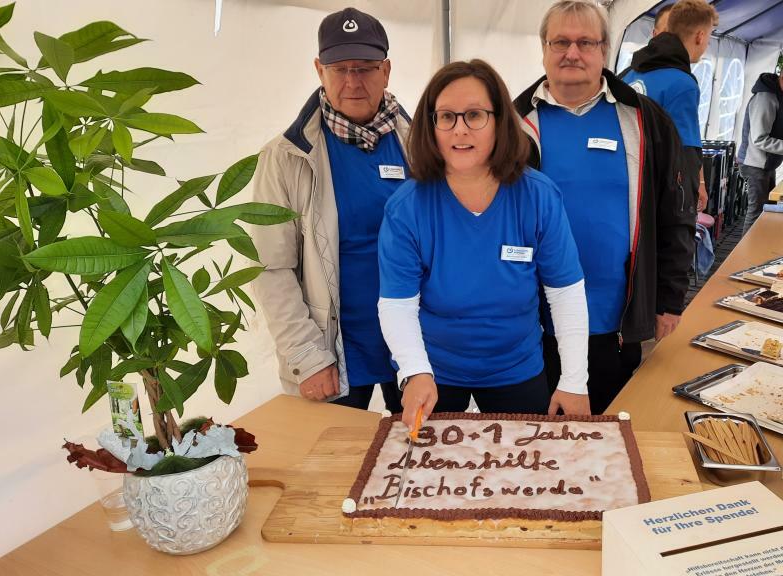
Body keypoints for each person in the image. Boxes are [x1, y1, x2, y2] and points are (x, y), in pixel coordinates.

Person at [378, 59, 591, 429]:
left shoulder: (538, 196)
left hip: (517, 367)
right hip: (435, 370)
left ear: (499, 123)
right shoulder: (407, 207)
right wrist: (413, 370)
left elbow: (565, 293)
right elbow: (397, 304)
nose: (460, 130)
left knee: (524, 472)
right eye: (446, 116)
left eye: (475, 115)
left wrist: (574, 380)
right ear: (431, 126)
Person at [514, 0, 696, 414]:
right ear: (543, 48)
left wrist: (669, 299)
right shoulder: (513, 123)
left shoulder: (643, 120)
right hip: (531, 322)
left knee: (606, 437)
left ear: (604, 49)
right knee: (536, 442)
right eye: (560, 41)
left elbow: (676, 213)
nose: (572, 53)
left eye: (585, 42)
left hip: (616, 321)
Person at [249, 7, 410, 412]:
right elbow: (270, 268)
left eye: (366, 68)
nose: (353, 81)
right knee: (332, 466)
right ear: (320, 70)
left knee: (420, 465)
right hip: (331, 353)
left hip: (414, 349)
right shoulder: (286, 157)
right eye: (340, 69)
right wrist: (306, 358)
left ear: (386, 71)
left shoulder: (421, 143)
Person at [622, 0, 718, 214]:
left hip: (625, 186)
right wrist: (689, 203)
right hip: (656, 197)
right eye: (709, 38)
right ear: (700, 36)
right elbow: (686, 155)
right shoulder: (683, 84)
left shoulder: (628, 74)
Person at [738, 70, 783, 235]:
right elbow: (759, 139)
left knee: (766, 208)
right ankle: (744, 256)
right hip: (754, 164)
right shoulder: (766, 98)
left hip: (765, 163)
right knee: (756, 211)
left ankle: (756, 249)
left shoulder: (777, 95)